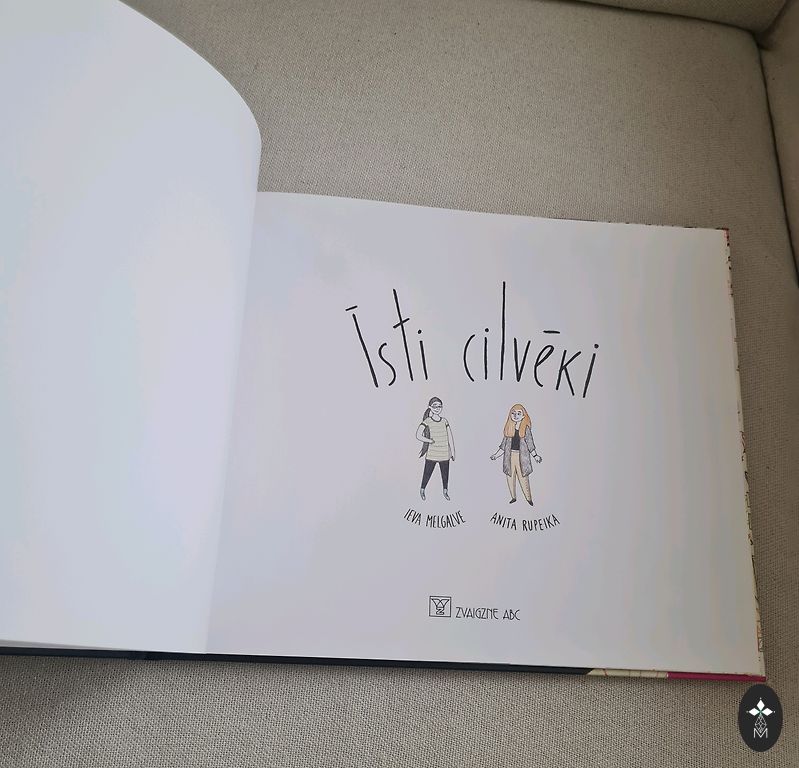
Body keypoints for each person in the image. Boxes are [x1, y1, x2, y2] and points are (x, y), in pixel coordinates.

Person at [490, 404, 542, 505]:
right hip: (509, 457)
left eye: (518, 413)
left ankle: (529, 498)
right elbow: (503, 446)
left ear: (523, 416)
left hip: (522, 457)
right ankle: (513, 497)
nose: (515, 415)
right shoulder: (509, 428)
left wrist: (535, 456)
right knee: (510, 477)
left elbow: (530, 444)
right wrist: (496, 455)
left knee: (523, 478)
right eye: (513, 413)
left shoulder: (525, 429)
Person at [416, 396, 455, 500]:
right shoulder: (428, 421)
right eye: (435, 406)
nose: (437, 408)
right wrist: (429, 441)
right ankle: (422, 490)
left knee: (445, 476)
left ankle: (445, 491)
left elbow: (450, 437)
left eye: (439, 406)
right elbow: (418, 435)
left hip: (445, 453)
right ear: (430, 407)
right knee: (427, 474)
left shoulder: (444, 421)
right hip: (432, 453)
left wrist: (453, 452)